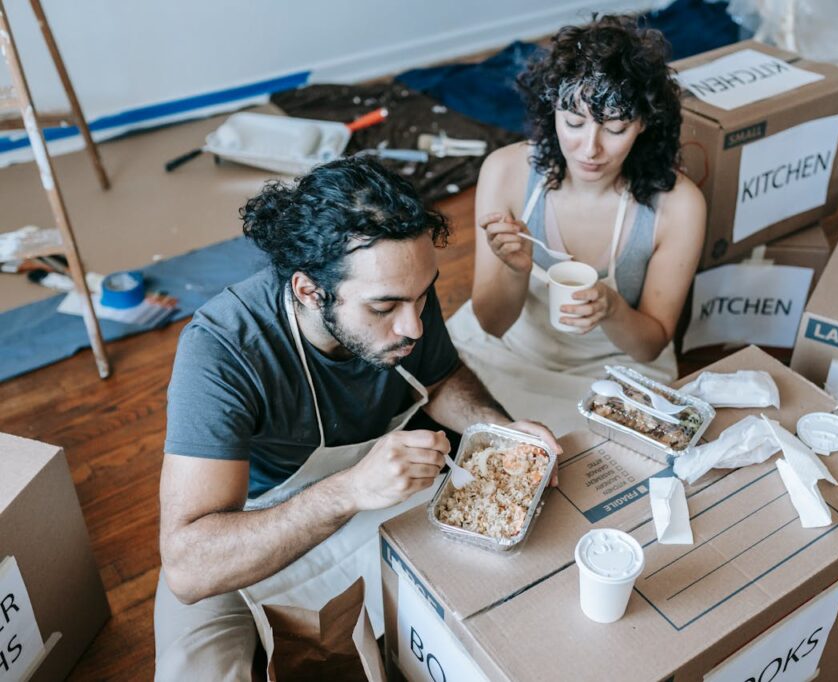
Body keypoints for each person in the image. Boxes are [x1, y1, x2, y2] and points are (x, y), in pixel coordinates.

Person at [153, 157, 560, 680]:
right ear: (308, 290)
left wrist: (496, 431)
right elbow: (189, 566)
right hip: (257, 522)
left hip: (384, 498)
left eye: (421, 297)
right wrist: (348, 490)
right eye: (384, 307)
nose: (413, 326)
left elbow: (438, 379)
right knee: (200, 671)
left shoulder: (403, 287)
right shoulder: (222, 349)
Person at [447, 15, 706, 436]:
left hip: (612, 373)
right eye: (573, 122)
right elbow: (492, 325)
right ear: (552, 111)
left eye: (616, 127)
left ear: (644, 122)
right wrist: (514, 269)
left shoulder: (679, 205)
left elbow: (650, 344)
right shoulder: (507, 172)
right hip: (508, 356)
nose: (590, 149)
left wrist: (611, 307)